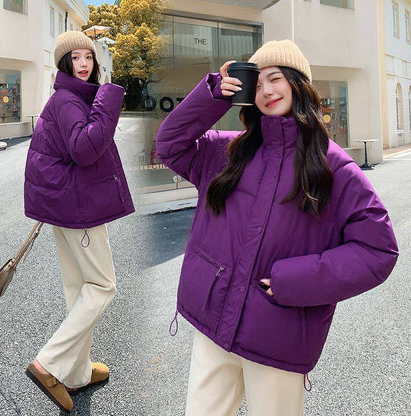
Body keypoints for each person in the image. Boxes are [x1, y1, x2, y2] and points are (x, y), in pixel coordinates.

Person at [156, 40, 398, 416]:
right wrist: (213, 95)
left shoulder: (335, 168)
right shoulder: (228, 151)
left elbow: (378, 250)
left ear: (299, 84)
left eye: (277, 78)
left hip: (278, 332)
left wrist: (294, 280)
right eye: (259, 83)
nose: (267, 91)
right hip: (213, 324)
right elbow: (169, 144)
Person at [23, 31, 134, 412]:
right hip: (76, 206)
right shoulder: (71, 100)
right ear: (64, 64)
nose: (84, 64)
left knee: (78, 287)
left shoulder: (68, 97)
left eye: (88, 57)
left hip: (63, 204)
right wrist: (108, 99)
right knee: (103, 286)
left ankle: (76, 373)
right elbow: (85, 149)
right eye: (75, 58)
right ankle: (49, 363)